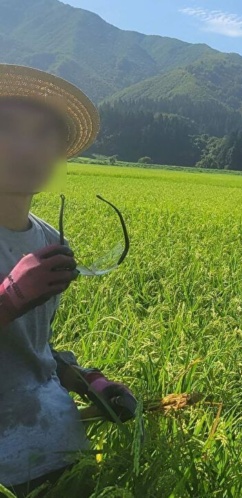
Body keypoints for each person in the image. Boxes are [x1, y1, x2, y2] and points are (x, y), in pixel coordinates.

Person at [0, 64, 137, 496]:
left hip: (58, 452)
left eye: (44, 133)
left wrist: (88, 380)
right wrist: (9, 297)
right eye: (7, 127)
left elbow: (31, 350)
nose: (27, 147)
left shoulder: (49, 239)